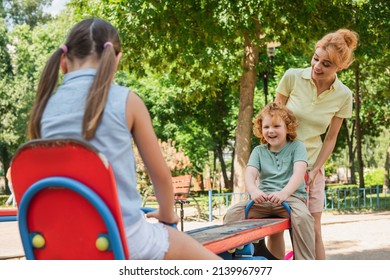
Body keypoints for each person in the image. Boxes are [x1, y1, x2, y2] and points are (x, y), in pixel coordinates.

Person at [27, 18, 221, 260]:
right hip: (121, 239)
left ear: (63, 62)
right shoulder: (127, 101)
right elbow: (160, 175)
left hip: (59, 246)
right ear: (115, 59)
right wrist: (167, 214)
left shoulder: (42, 109)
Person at [275, 29, 358, 259]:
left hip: (312, 168)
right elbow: (272, 121)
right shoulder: (292, 77)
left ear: (339, 67)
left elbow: (331, 138)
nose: (317, 66)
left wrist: (315, 169)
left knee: (313, 229)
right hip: (280, 166)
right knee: (276, 229)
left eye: (326, 64)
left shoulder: (343, 95)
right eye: (316, 58)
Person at [223, 102, 315, 260]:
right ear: (261, 130)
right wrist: (254, 191)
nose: (271, 131)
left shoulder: (297, 147)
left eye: (276, 126)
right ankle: (238, 256)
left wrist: (284, 193)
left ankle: (305, 261)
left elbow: (298, 173)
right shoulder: (259, 151)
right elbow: (250, 173)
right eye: (266, 127)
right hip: (263, 200)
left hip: (291, 199)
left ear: (288, 127)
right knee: (233, 214)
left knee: (303, 218)